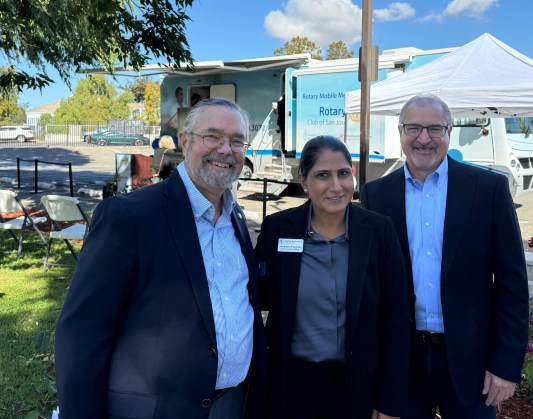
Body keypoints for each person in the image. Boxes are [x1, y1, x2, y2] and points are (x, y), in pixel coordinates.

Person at [55, 98, 267, 418]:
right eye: (212, 135)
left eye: (237, 140)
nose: (226, 149)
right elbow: (82, 334)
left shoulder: (234, 215)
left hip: (233, 403)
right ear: (185, 140)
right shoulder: (129, 216)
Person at [361, 94, 529, 419]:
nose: (424, 138)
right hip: (403, 364)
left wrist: (506, 365)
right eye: (413, 128)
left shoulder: (488, 189)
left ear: (449, 131)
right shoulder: (376, 194)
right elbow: (372, 288)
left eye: (434, 128)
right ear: (399, 132)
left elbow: (512, 285)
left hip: (473, 363)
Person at [254, 135, 410, 419]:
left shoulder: (379, 231)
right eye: (322, 175)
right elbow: (256, 297)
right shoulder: (278, 230)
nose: (336, 186)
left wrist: (390, 399)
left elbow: (397, 319)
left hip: (358, 386)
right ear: (304, 181)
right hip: (291, 386)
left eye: (343, 173)